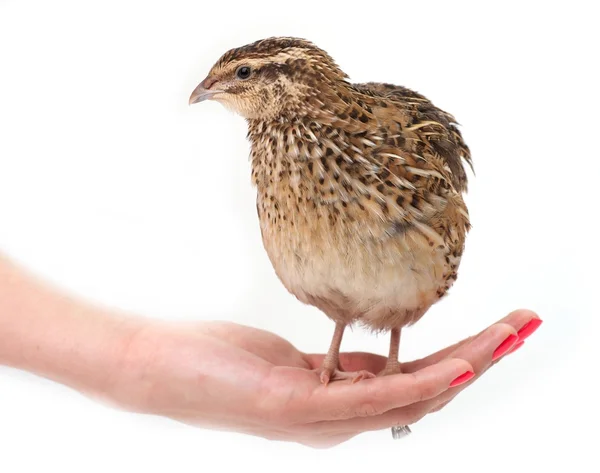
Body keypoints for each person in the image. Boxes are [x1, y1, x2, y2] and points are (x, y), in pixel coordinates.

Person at [0, 253, 541, 448]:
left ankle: (392, 359)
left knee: (393, 291)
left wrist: (128, 360)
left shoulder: (392, 149)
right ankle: (334, 354)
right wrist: (130, 361)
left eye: (242, 78)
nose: (210, 89)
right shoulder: (272, 166)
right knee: (335, 290)